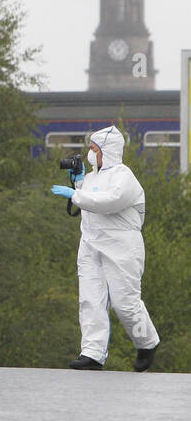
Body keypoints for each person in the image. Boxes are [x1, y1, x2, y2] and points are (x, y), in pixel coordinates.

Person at [51, 125, 160, 371]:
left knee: (125, 303)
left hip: (122, 247)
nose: (90, 154)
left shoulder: (124, 177)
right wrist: (78, 184)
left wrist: (75, 194)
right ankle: (92, 353)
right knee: (90, 299)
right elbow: (88, 201)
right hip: (91, 244)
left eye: (93, 149)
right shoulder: (91, 178)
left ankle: (147, 341)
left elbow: (109, 202)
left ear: (107, 151)